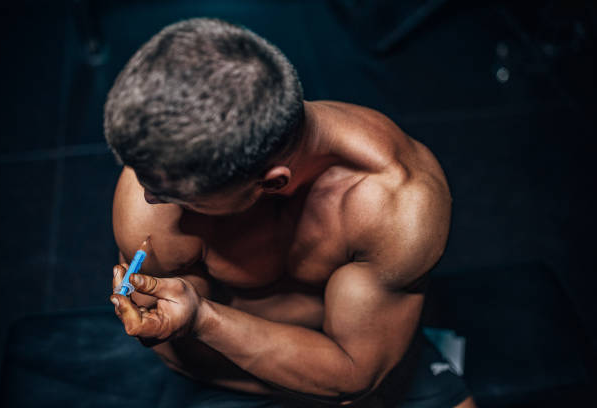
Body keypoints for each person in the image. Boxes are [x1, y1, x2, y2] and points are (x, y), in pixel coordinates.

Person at [105, 18, 475, 407]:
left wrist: (204, 318)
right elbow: (177, 339)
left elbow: (353, 373)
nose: (148, 197)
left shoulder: (397, 202)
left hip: (349, 369)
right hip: (224, 370)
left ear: (272, 182)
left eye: (175, 195)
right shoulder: (154, 195)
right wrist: (186, 319)